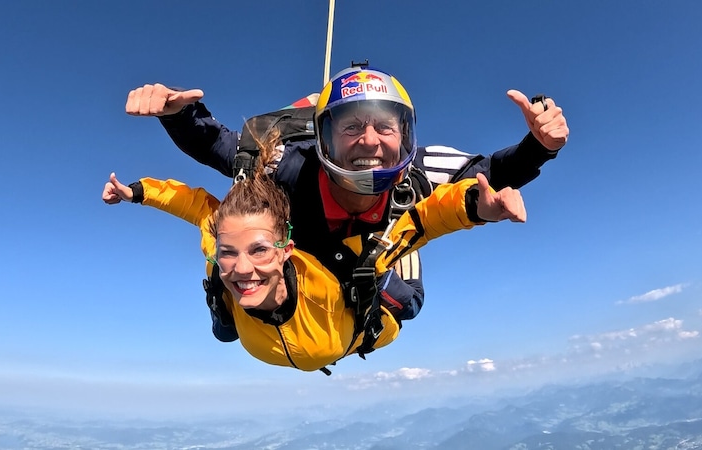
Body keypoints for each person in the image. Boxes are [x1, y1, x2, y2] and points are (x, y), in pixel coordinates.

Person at [124, 63, 568, 334]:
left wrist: (539, 146)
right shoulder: (286, 168)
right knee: (231, 322)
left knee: (406, 303)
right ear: (324, 139)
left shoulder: (419, 174)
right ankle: (221, 299)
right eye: (351, 127)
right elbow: (222, 147)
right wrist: (178, 113)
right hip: (308, 248)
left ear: (406, 135)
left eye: (385, 127)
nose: (369, 141)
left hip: (371, 252)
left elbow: (491, 173)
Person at [102, 125, 527, 373]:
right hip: (282, 337)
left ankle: (394, 255)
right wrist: (137, 191)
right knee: (225, 330)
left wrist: (475, 205)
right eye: (229, 252)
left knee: (408, 302)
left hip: (357, 327)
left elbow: (425, 221)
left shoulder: (336, 270)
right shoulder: (219, 239)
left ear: (287, 249)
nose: (241, 268)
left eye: (259, 250)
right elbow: (191, 202)